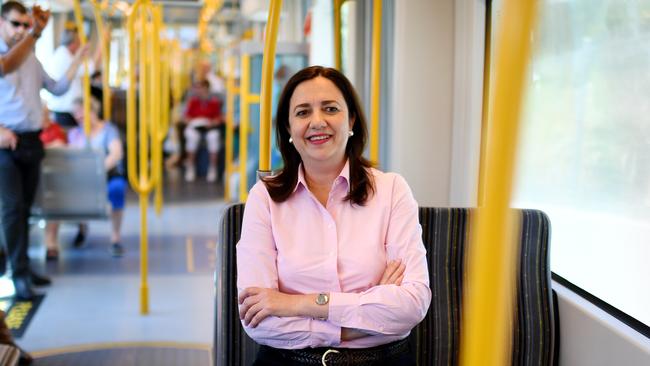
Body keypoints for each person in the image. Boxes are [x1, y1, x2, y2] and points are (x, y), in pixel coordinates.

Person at [236, 66, 431, 365]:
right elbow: (258, 320)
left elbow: (412, 305)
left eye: (330, 109)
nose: (317, 121)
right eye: (302, 112)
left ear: (351, 119)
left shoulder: (392, 191)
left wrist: (296, 303)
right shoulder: (264, 198)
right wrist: (368, 311)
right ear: (288, 128)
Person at [0, 1, 87, 300]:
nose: (22, 30)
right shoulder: (9, 56)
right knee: (12, 211)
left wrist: (77, 61)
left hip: (30, 142)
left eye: (27, 25)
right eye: (16, 24)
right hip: (5, 145)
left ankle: (24, 267)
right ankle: (17, 274)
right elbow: (5, 66)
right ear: (1, 23)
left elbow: (57, 88)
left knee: (25, 210)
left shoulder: (31, 59)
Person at [67, 90, 127, 257]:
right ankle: (82, 227)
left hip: (106, 174)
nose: (78, 116)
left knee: (116, 189)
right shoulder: (75, 134)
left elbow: (116, 153)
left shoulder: (108, 130)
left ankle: (115, 237)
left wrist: (97, 171)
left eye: (81, 112)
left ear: (92, 111)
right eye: (75, 114)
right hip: (82, 177)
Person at [39, 105, 67, 261]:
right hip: (35, 178)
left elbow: (60, 146)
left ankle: (51, 243)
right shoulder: (28, 130)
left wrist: (41, 149)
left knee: (54, 200)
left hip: (52, 179)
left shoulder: (56, 130)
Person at [183, 79, 224, 182]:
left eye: (200, 88)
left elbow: (219, 118)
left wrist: (212, 123)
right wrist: (192, 122)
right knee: (191, 137)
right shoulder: (193, 101)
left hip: (209, 127)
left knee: (213, 137)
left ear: (206, 88)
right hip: (195, 127)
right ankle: (190, 166)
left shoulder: (214, 101)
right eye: (197, 88)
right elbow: (185, 117)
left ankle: (212, 168)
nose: (198, 90)